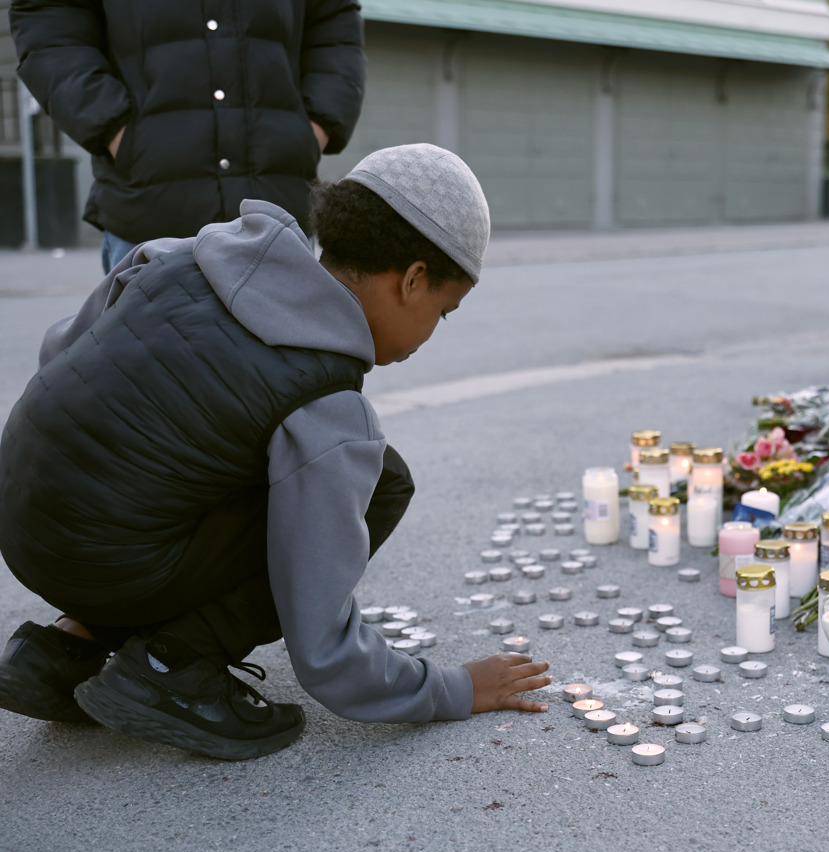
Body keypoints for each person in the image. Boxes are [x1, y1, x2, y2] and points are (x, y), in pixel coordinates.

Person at [0, 144, 551, 761]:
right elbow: (325, 651)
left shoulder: (184, 256)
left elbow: (66, 361)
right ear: (413, 278)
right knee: (383, 481)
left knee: (178, 459)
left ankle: (61, 649)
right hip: (105, 560)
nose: (432, 333)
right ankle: (170, 666)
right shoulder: (326, 407)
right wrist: (453, 689)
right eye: (443, 313)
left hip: (22, 515)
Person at [9, 0, 366, 273]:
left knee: (289, 368)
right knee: (145, 369)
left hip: (277, 212)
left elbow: (334, 20)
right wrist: (118, 132)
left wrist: (313, 128)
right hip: (151, 214)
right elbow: (48, 18)